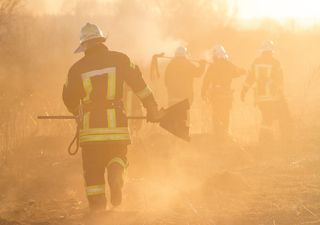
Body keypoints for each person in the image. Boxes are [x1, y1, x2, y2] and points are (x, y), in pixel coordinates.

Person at [62, 23, 161, 212]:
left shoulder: (76, 69)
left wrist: (77, 112)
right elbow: (140, 85)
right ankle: (116, 173)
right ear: (102, 40)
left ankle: (98, 210)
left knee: (93, 171)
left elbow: (68, 97)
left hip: (91, 131)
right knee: (118, 156)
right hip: (117, 126)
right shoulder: (120, 60)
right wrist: (152, 107)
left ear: (84, 46)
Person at [240, 40, 292, 144]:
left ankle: (266, 139)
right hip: (272, 97)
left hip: (260, 97)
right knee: (273, 117)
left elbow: (250, 78)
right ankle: (268, 140)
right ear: (272, 51)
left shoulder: (256, 62)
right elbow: (279, 79)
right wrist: (280, 92)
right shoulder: (275, 62)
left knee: (266, 117)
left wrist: (243, 92)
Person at [202, 45, 246, 140]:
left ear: (215, 56)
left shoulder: (212, 66)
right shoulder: (229, 65)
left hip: (216, 96)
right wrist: (243, 71)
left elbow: (206, 80)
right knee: (226, 115)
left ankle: (217, 135)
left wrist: (203, 92)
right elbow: (236, 73)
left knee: (216, 115)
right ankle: (225, 136)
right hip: (226, 95)